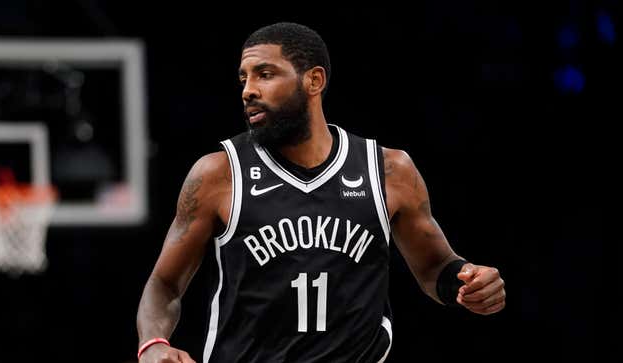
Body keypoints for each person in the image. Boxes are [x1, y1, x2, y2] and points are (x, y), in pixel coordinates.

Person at [136, 22, 505, 363]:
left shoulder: (389, 171)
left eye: (265, 74)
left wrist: (470, 281)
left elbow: (435, 267)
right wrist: (153, 344)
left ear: (314, 81)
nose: (248, 90)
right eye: (243, 78)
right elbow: (163, 284)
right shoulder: (219, 173)